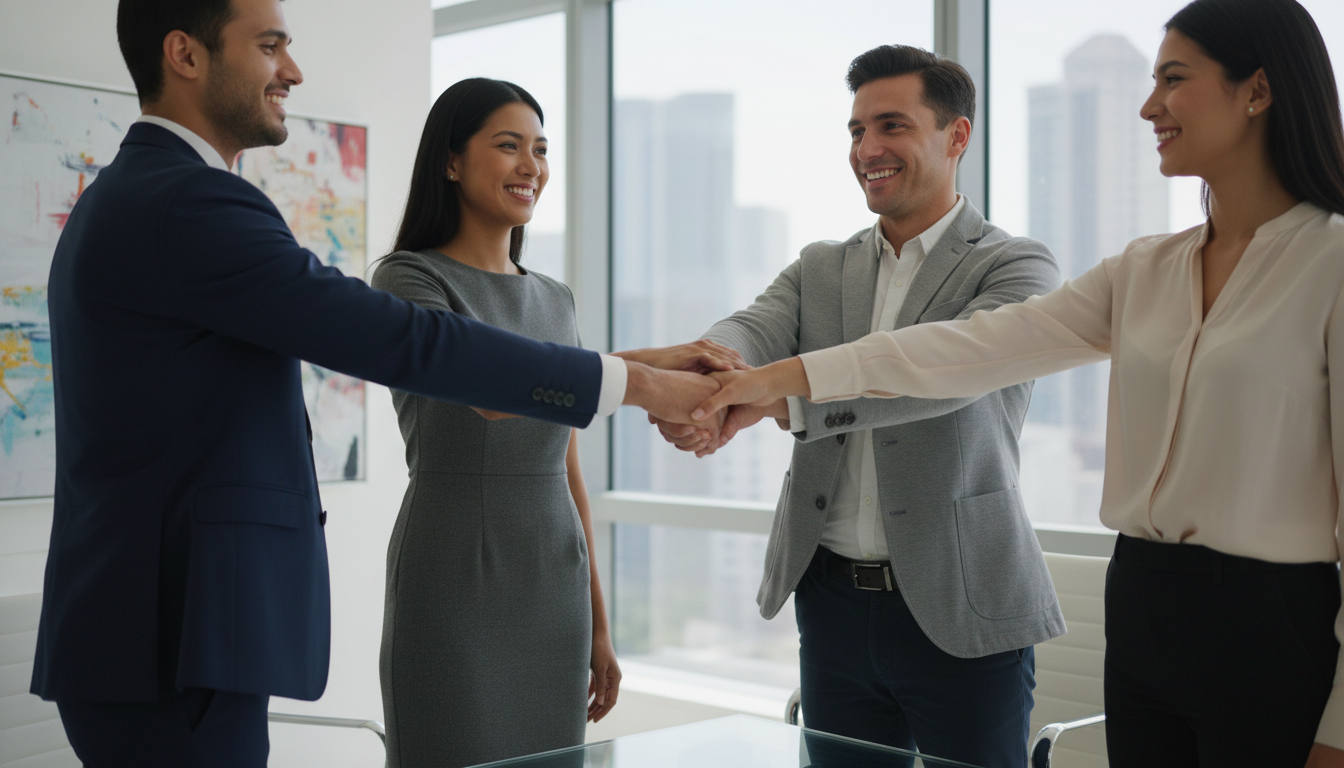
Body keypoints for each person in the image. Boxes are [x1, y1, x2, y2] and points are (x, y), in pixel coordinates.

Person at [29, 0, 724, 764]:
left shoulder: (139, 196)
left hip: (163, 634)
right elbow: (404, 340)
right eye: (269, 47)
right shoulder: (187, 202)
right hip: (169, 638)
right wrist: (642, 386)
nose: (292, 71)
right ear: (185, 55)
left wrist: (646, 366)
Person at [694, 1, 1344, 766]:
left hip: (1271, 618)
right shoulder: (1143, 270)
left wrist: (1337, 731)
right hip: (1139, 603)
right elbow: (964, 351)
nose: (1149, 105)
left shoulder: (1329, 261)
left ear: (1258, 90)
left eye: (1173, 78)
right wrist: (749, 377)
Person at [651, 45, 1063, 767]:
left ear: (956, 136)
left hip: (962, 604)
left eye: (892, 126)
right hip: (832, 603)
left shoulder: (1015, 266)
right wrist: (702, 381)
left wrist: (779, 399)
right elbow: (750, 328)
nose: (867, 149)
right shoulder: (821, 266)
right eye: (855, 130)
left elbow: (936, 379)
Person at [371, 79, 742, 768]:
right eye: (507, 146)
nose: (531, 166)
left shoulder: (554, 297)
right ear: (450, 161)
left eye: (540, 150)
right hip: (455, 572)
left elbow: (565, 459)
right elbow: (490, 386)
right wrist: (650, 369)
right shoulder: (407, 281)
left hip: (553, 583)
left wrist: (599, 622)